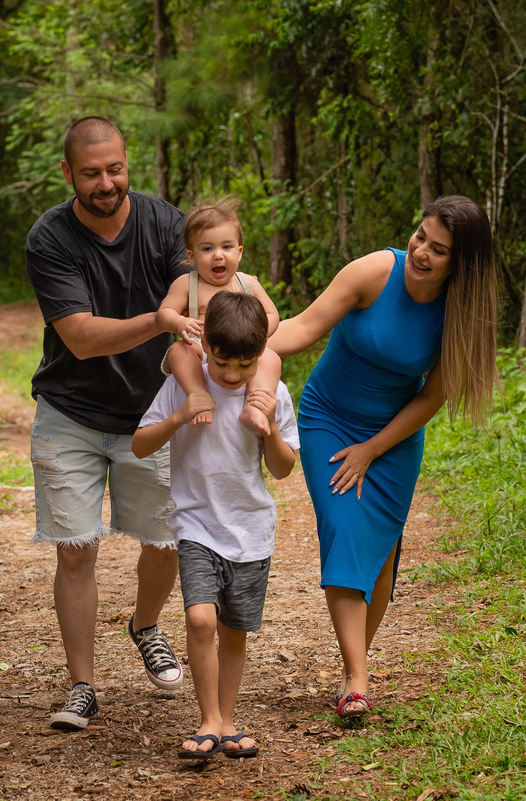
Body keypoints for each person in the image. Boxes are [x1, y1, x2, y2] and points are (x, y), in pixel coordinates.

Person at [267, 195, 499, 720]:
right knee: (344, 528)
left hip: (393, 439)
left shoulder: (460, 314)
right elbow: (301, 328)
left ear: (460, 265)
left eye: (438, 250)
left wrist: (373, 449)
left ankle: (355, 667)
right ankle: (358, 677)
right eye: (420, 236)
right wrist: (237, 344)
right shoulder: (374, 271)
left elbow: (432, 396)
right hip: (329, 418)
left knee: (381, 555)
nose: (421, 252)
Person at [24, 115, 190, 731]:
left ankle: (145, 625)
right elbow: (82, 337)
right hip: (70, 413)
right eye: (91, 173)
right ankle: (83, 686)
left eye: (115, 169)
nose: (105, 183)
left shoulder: (165, 223)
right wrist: (160, 319)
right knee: (75, 549)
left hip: (153, 412)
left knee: (166, 541)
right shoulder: (50, 237)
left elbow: (197, 288)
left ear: (127, 164)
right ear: (68, 172)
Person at [133, 292, 299, 759]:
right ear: (205, 347)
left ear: (261, 354)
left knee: (233, 630)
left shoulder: (271, 393)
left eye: (245, 365)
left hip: (250, 530)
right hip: (196, 524)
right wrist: (180, 415)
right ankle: (207, 719)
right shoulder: (186, 386)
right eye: (222, 362)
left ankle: (227, 722)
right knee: (200, 618)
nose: (231, 375)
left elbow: (283, 468)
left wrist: (270, 425)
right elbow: (140, 445)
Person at [156, 196, 282, 435]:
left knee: (271, 358)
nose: (218, 255)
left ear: (240, 252)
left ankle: (254, 406)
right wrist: (180, 321)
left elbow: (271, 313)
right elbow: (164, 313)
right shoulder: (187, 284)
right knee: (178, 351)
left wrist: (257, 333)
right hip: (200, 348)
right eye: (207, 248)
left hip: (242, 349)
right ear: (191, 256)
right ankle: (198, 393)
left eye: (227, 247)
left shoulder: (247, 283)